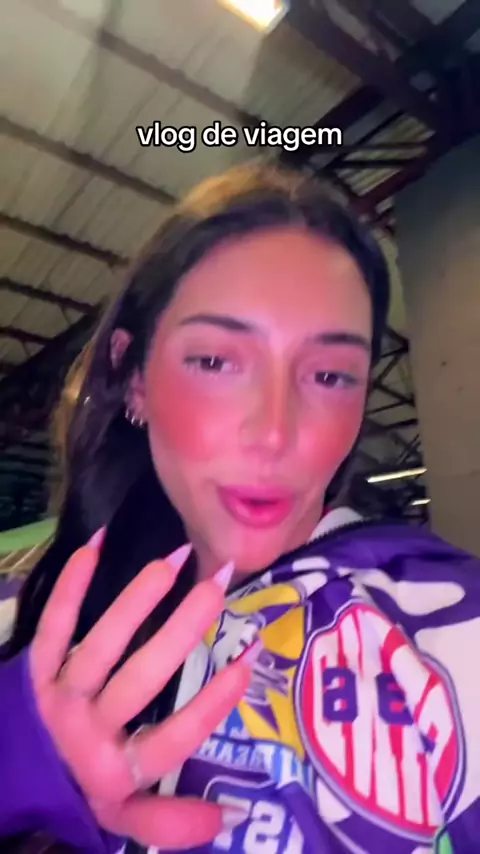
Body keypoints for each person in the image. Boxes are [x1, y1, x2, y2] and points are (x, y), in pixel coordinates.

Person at [0, 163, 479, 854]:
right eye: (216, 362)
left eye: (329, 375)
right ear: (135, 379)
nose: (276, 433)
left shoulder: (444, 629)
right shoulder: (44, 630)